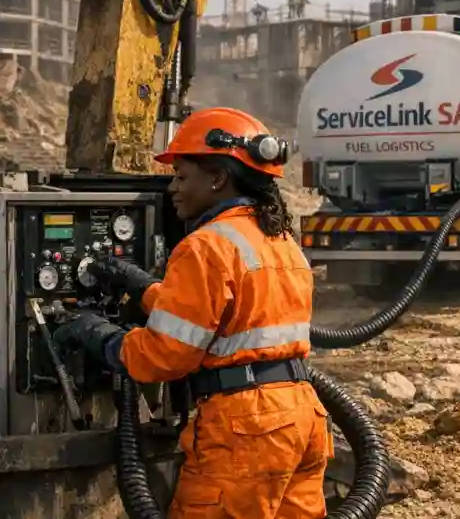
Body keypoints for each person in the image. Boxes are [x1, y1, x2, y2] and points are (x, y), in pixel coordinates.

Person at [53, 107, 330, 518]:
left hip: (245, 427)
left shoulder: (206, 246)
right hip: (301, 415)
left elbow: (166, 355)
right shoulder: (279, 240)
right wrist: (143, 287)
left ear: (218, 178)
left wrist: (99, 335)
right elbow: (225, 317)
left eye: (182, 177)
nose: (172, 190)